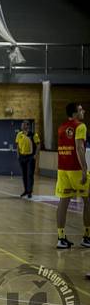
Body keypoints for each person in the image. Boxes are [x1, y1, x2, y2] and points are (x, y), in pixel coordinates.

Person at [54, 103, 89, 249]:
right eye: (81, 110)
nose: (83, 111)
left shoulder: (61, 127)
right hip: (75, 168)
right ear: (75, 113)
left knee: (63, 202)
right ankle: (87, 237)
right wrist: (84, 168)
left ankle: (61, 238)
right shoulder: (80, 126)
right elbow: (79, 147)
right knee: (88, 200)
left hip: (62, 169)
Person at [15, 120, 40, 199]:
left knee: (30, 174)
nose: (22, 126)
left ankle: (30, 192)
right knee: (24, 175)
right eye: (22, 125)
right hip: (22, 157)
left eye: (24, 125)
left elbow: (38, 145)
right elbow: (17, 145)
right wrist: (18, 155)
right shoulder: (19, 134)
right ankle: (25, 190)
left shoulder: (33, 135)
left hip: (30, 157)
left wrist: (36, 155)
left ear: (27, 126)